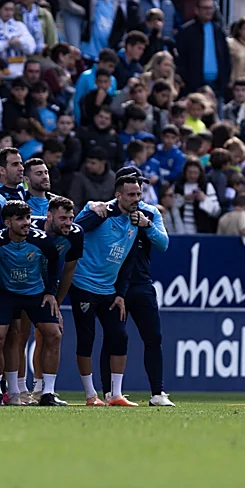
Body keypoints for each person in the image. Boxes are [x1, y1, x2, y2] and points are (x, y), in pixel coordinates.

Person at [70, 174, 156, 407]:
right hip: (84, 285)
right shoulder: (101, 214)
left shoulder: (136, 222)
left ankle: (115, 395)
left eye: (138, 194)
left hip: (108, 290)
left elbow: (128, 261)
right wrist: (91, 208)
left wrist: (120, 293)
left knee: (120, 336)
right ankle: (90, 395)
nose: (136, 199)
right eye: (131, 195)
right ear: (118, 195)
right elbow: (74, 230)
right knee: (87, 338)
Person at [0, 200, 66, 406]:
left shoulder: (42, 241)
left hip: (34, 293)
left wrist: (50, 292)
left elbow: (55, 263)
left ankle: (47, 392)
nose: (26, 223)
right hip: (5, 293)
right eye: (20, 219)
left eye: (28, 218)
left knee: (54, 334)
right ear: (7, 222)